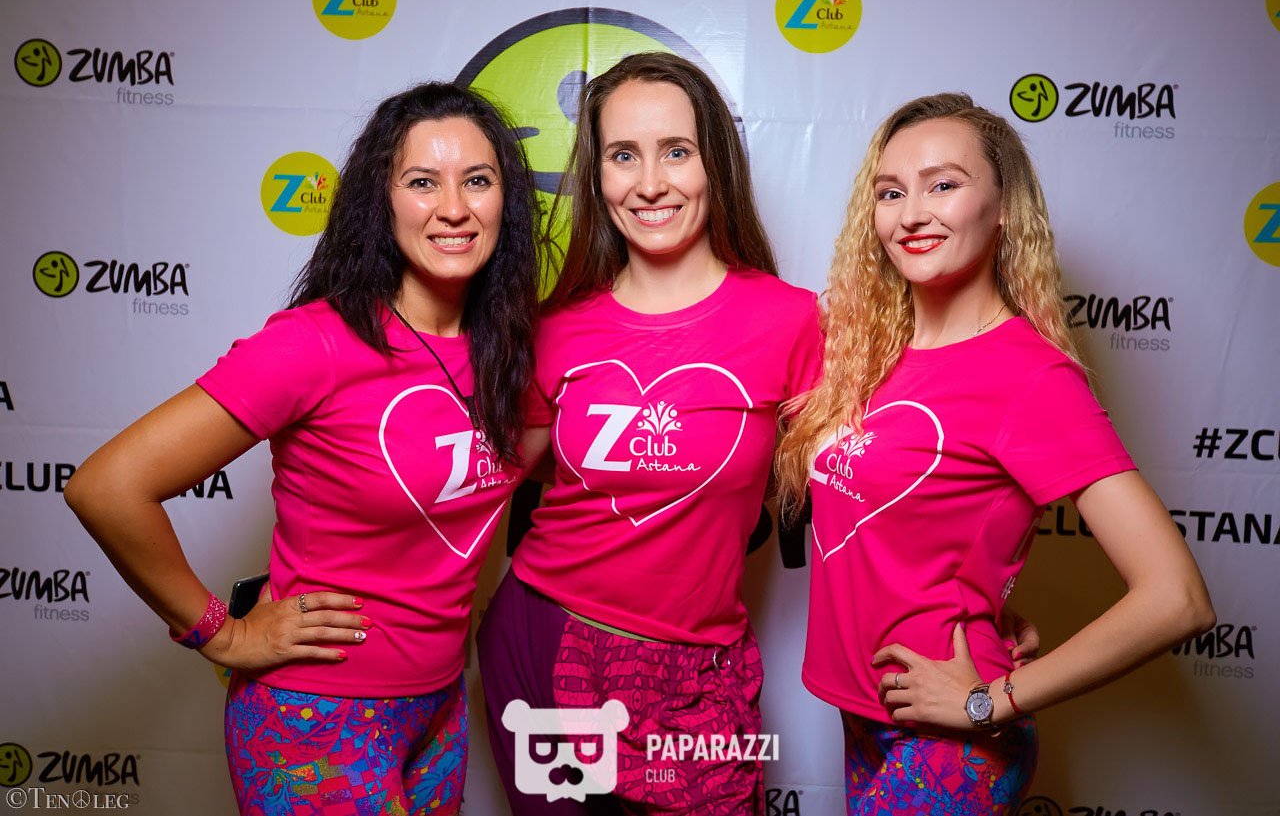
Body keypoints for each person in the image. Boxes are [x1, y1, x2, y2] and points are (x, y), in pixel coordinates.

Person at [64, 82, 541, 815]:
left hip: (439, 709)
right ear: (381, 201)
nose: (453, 207)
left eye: (477, 180)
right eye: (422, 182)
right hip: (314, 717)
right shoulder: (314, 344)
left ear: (506, 200)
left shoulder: (509, 351)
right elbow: (106, 486)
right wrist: (222, 635)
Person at [774, 92, 1215, 814]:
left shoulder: (1029, 376)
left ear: (1004, 207)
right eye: (891, 192)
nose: (912, 214)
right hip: (864, 714)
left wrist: (988, 701)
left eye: (943, 184)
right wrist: (984, 597)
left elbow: (1177, 598)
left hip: (948, 742)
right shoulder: (867, 351)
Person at [475, 52, 824, 814]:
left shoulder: (789, 320)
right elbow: (472, 490)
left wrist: (970, 607)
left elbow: (863, 490)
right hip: (545, 640)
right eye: (623, 155)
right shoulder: (556, 328)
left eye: (676, 151)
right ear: (597, 175)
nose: (651, 183)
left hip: (698, 672)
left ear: (715, 164)